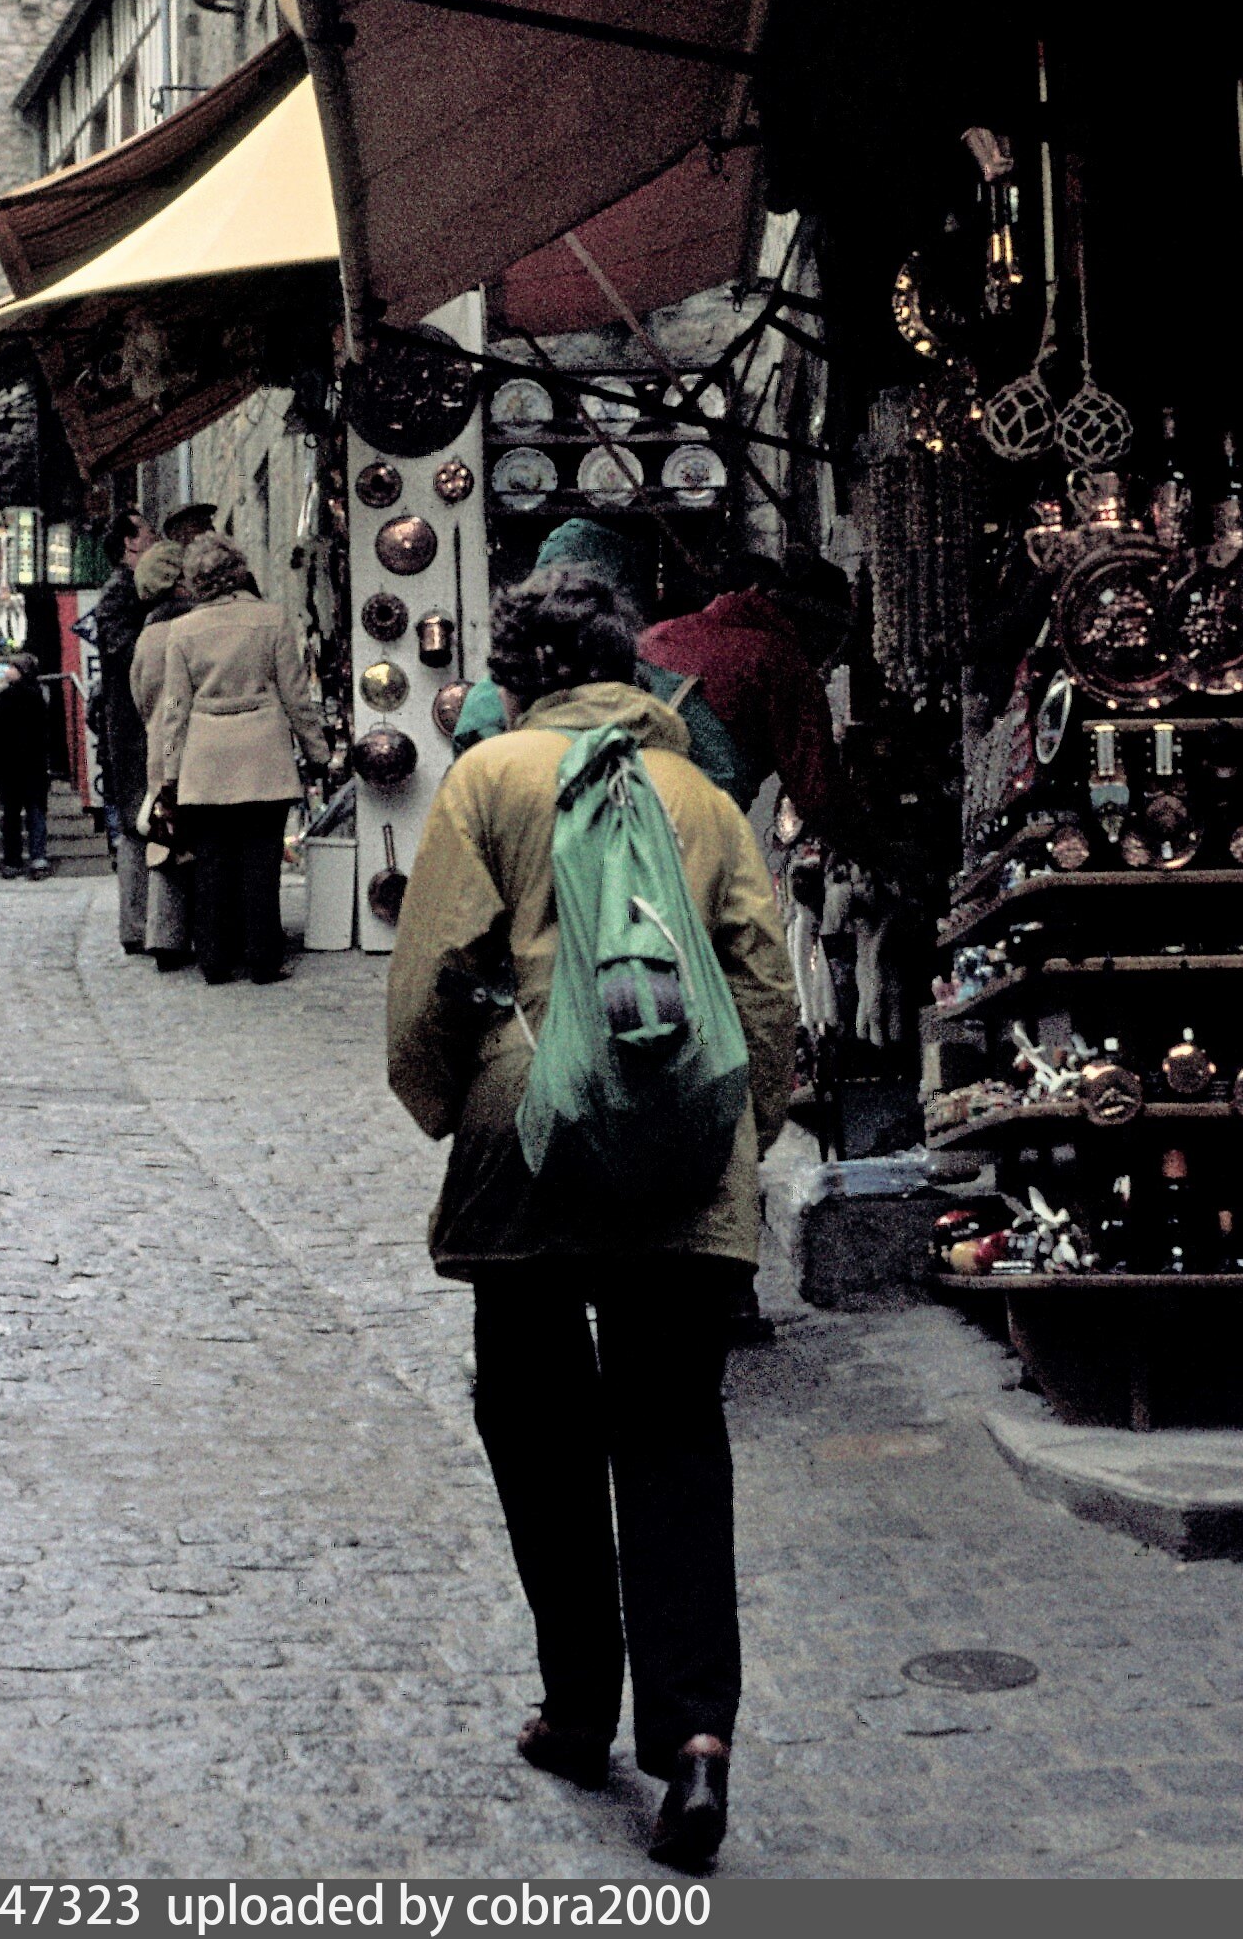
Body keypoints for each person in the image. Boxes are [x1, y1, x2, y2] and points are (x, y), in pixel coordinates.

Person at [386, 565, 794, 1870]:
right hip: (681, 1143)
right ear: (631, 668)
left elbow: (434, 975)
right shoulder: (702, 795)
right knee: (675, 1433)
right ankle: (697, 1737)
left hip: (529, 1147)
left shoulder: (487, 779)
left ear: (518, 675)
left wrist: (451, 1104)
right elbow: (764, 983)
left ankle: (576, 1708)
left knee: (539, 1429)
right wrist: (741, 1129)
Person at [450, 519, 742, 797]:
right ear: (618, 608)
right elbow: (724, 780)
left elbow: (468, 794)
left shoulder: (489, 696)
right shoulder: (667, 691)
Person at [153, 534, 328, 986]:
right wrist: (317, 752)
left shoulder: (182, 631)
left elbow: (174, 710)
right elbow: (296, 697)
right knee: (261, 864)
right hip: (263, 758)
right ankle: (263, 959)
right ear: (238, 571)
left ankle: (214, 960)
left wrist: (170, 771)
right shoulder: (271, 620)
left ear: (195, 580)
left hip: (205, 763)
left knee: (211, 865)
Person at [638, 549, 853, 826]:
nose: (829, 657)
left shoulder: (664, 633)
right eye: (832, 640)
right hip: (682, 820)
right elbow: (819, 799)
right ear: (815, 626)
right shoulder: (783, 663)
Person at [127, 542, 196, 969]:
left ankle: (165, 936)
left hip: (160, 743)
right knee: (202, 839)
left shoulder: (148, 635)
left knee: (164, 837)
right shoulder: (193, 626)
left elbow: (141, 696)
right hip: (198, 740)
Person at [93, 509, 157, 952]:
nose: (154, 535)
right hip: (133, 726)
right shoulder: (120, 592)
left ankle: (147, 923)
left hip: (142, 721)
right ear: (130, 543)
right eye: (146, 530)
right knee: (138, 821)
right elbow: (129, 654)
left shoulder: (134, 589)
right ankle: (136, 926)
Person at [0, 653, 52, 880]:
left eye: (12, 667)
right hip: (34, 764)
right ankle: (38, 858)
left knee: (11, 815)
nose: (7, 671)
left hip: (10, 764)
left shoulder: (6, 697)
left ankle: (12, 861)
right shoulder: (40, 695)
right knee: (36, 812)